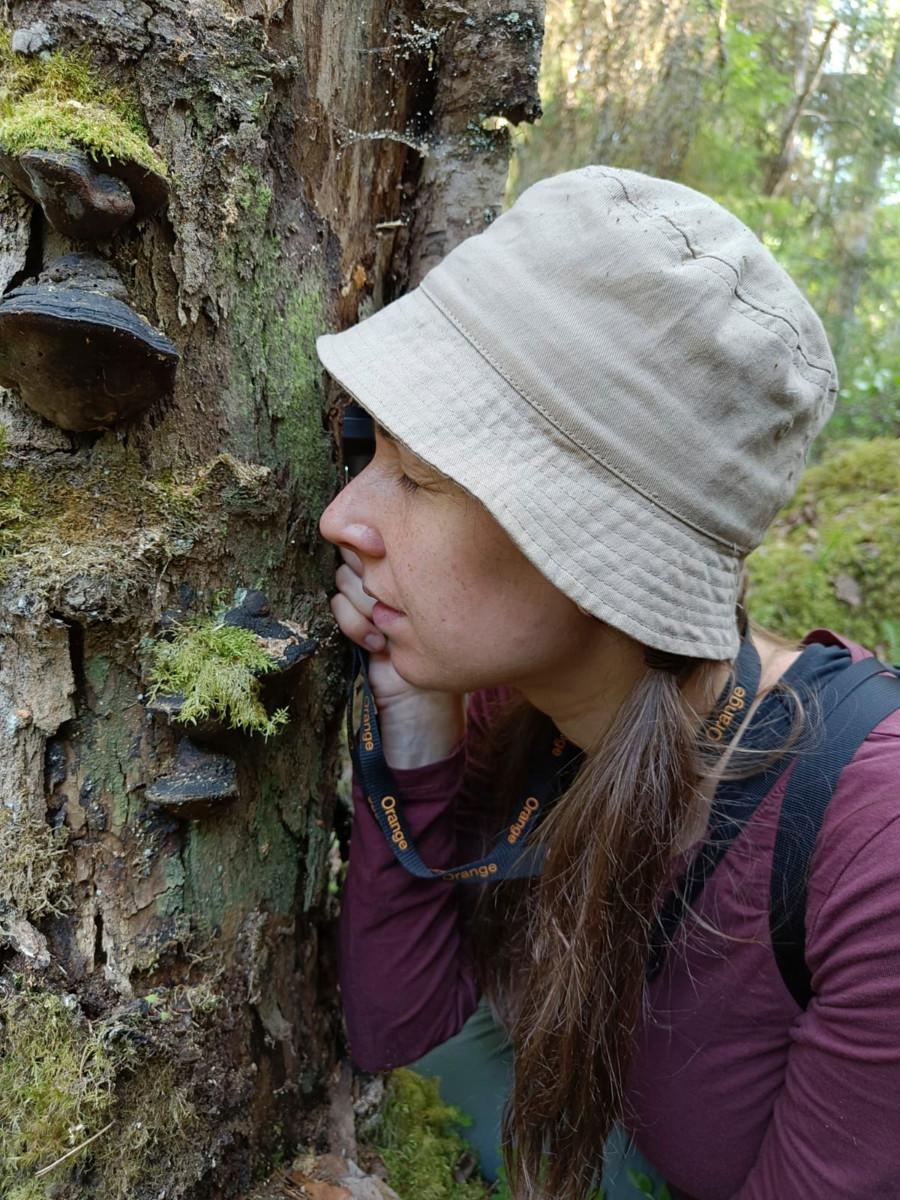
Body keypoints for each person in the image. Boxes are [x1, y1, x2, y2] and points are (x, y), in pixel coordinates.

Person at [315, 167, 900, 1200]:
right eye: (372, 452)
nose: (343, 520)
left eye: (421, 477)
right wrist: (416, 724)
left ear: (591, 552)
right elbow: (394, 1027)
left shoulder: (872, 855)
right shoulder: (517, 696)